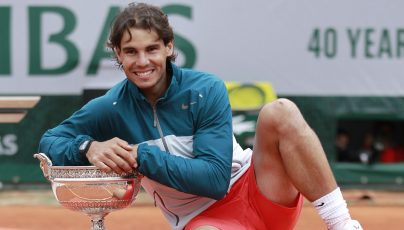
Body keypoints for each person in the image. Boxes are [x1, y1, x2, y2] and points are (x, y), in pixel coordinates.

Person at [38, 3, 362, 230]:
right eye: (131, 52)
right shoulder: (110, 107)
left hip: (261, 192)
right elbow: (50, 140)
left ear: (168, 46)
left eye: (151, 49)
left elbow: (214, 181)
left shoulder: (205, 89)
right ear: (118, 55)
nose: (142, 61)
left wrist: (140, 155)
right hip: (203, 220)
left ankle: (343, 225)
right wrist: (88, 147)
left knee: (281, 111)